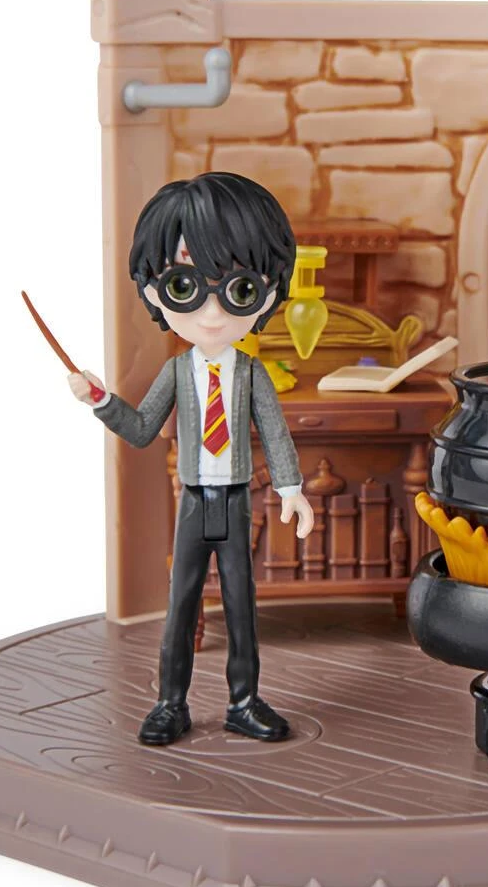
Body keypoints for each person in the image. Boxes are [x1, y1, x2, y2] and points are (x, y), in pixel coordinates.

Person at [69, 172, 314, 746]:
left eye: (239, 290)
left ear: (269, 293)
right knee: (181, 604)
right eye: (184, 286)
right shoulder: (177, 372)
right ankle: (170, 702)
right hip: (193, 502)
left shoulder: (251, 374)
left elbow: (275, 434)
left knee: (241, 605)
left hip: (235, 502)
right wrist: (101, 400)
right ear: (156, 291)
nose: (211, 313)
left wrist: (292, 489)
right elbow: (140, 429)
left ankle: (244, 701)